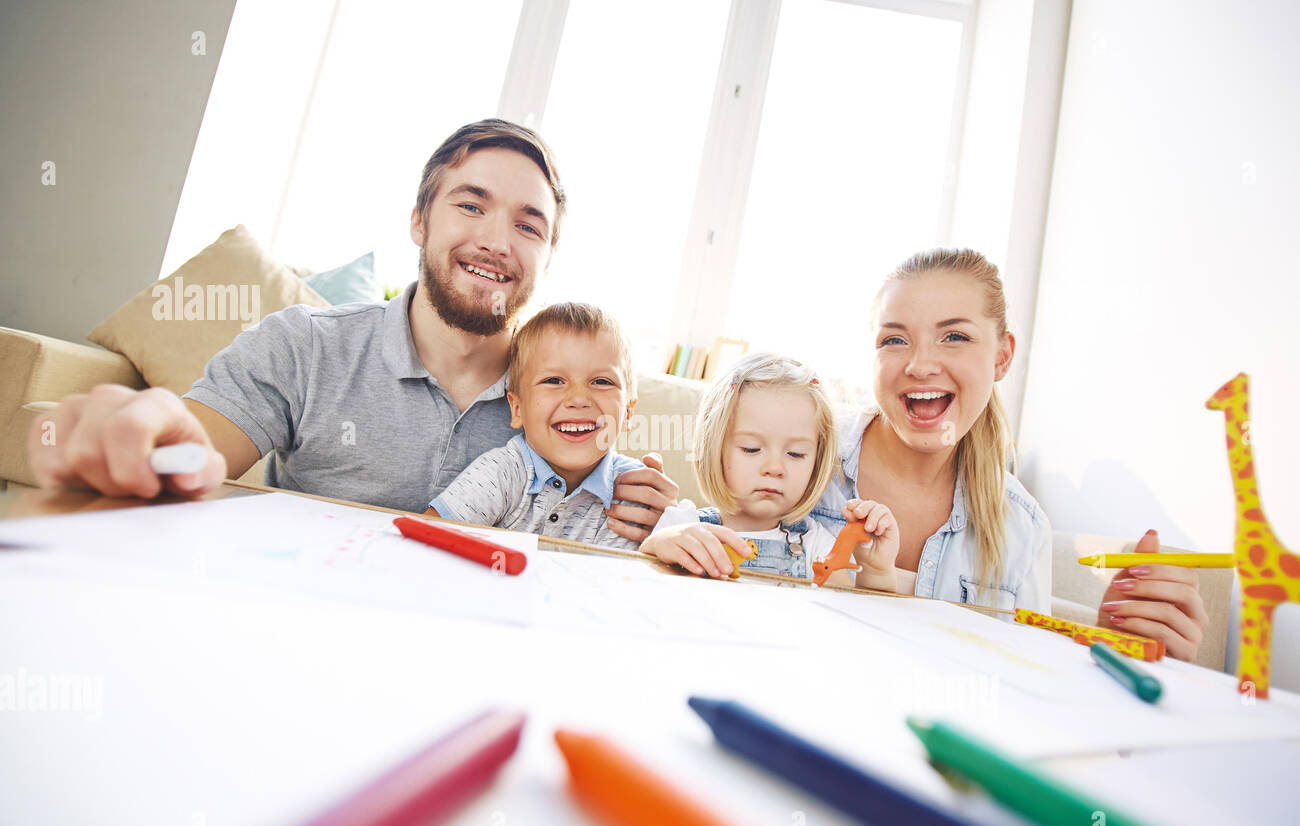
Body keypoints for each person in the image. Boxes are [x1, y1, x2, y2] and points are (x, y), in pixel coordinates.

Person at [25, 119, 677, 539]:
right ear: (419, 222)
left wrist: (652, 517)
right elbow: (189, 451)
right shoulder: (303, 347)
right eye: (470, 205)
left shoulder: (566, 397)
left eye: (528, 225)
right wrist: (145, 439)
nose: (496, 240)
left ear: (547, 256)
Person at [813, 247, 1207, 659]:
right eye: (894, 339)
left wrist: (1108, 649)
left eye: (955, 337)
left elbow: (1018, 680)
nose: (920, 364)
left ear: (1002, 358)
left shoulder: (1023, 527)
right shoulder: (801, 457)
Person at [643, 353, 898, 590]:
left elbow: (855, 619)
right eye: (752, 449)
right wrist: (656, 544)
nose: (775, 468)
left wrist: (876, 572)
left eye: (796, 454)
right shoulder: (683, 524)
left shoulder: (815, 543)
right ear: (713, 448)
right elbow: (636, 581)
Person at [425, 302, 645, 549]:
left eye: (602, 381)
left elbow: (618, 581)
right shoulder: (503, 472)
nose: (579, 399)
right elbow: (425, 540)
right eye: (554, 380)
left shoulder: (634, 491)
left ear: (627, 412)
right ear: (517, 409)